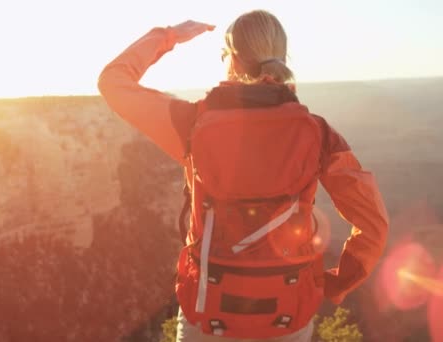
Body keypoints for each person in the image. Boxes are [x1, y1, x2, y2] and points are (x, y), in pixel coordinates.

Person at [98, 10, 389, 342]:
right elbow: (373, 225)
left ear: (231, 60)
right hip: (287, 318)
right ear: (280, 59)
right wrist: (333, 284)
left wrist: (170, 36)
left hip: (207, 318)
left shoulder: (192, 125)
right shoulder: (319, 135)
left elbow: (113, 82)